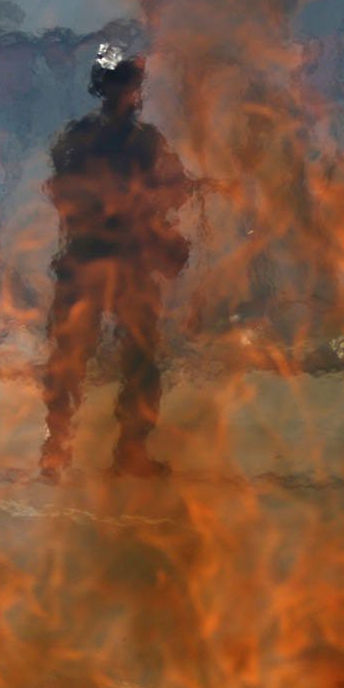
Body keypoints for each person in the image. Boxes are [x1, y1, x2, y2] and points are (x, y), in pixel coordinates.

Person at [39, 45, 199, 480]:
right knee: (93, 359)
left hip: (104, 262)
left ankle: (87, 448)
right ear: (114, 87)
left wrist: (150, 202)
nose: (131, 94)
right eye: (127, 85)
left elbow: (175, 187)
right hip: (105, 261)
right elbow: (63, 192)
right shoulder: (128, 140)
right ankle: (78, 448)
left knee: (116, 359)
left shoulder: (88, 138)